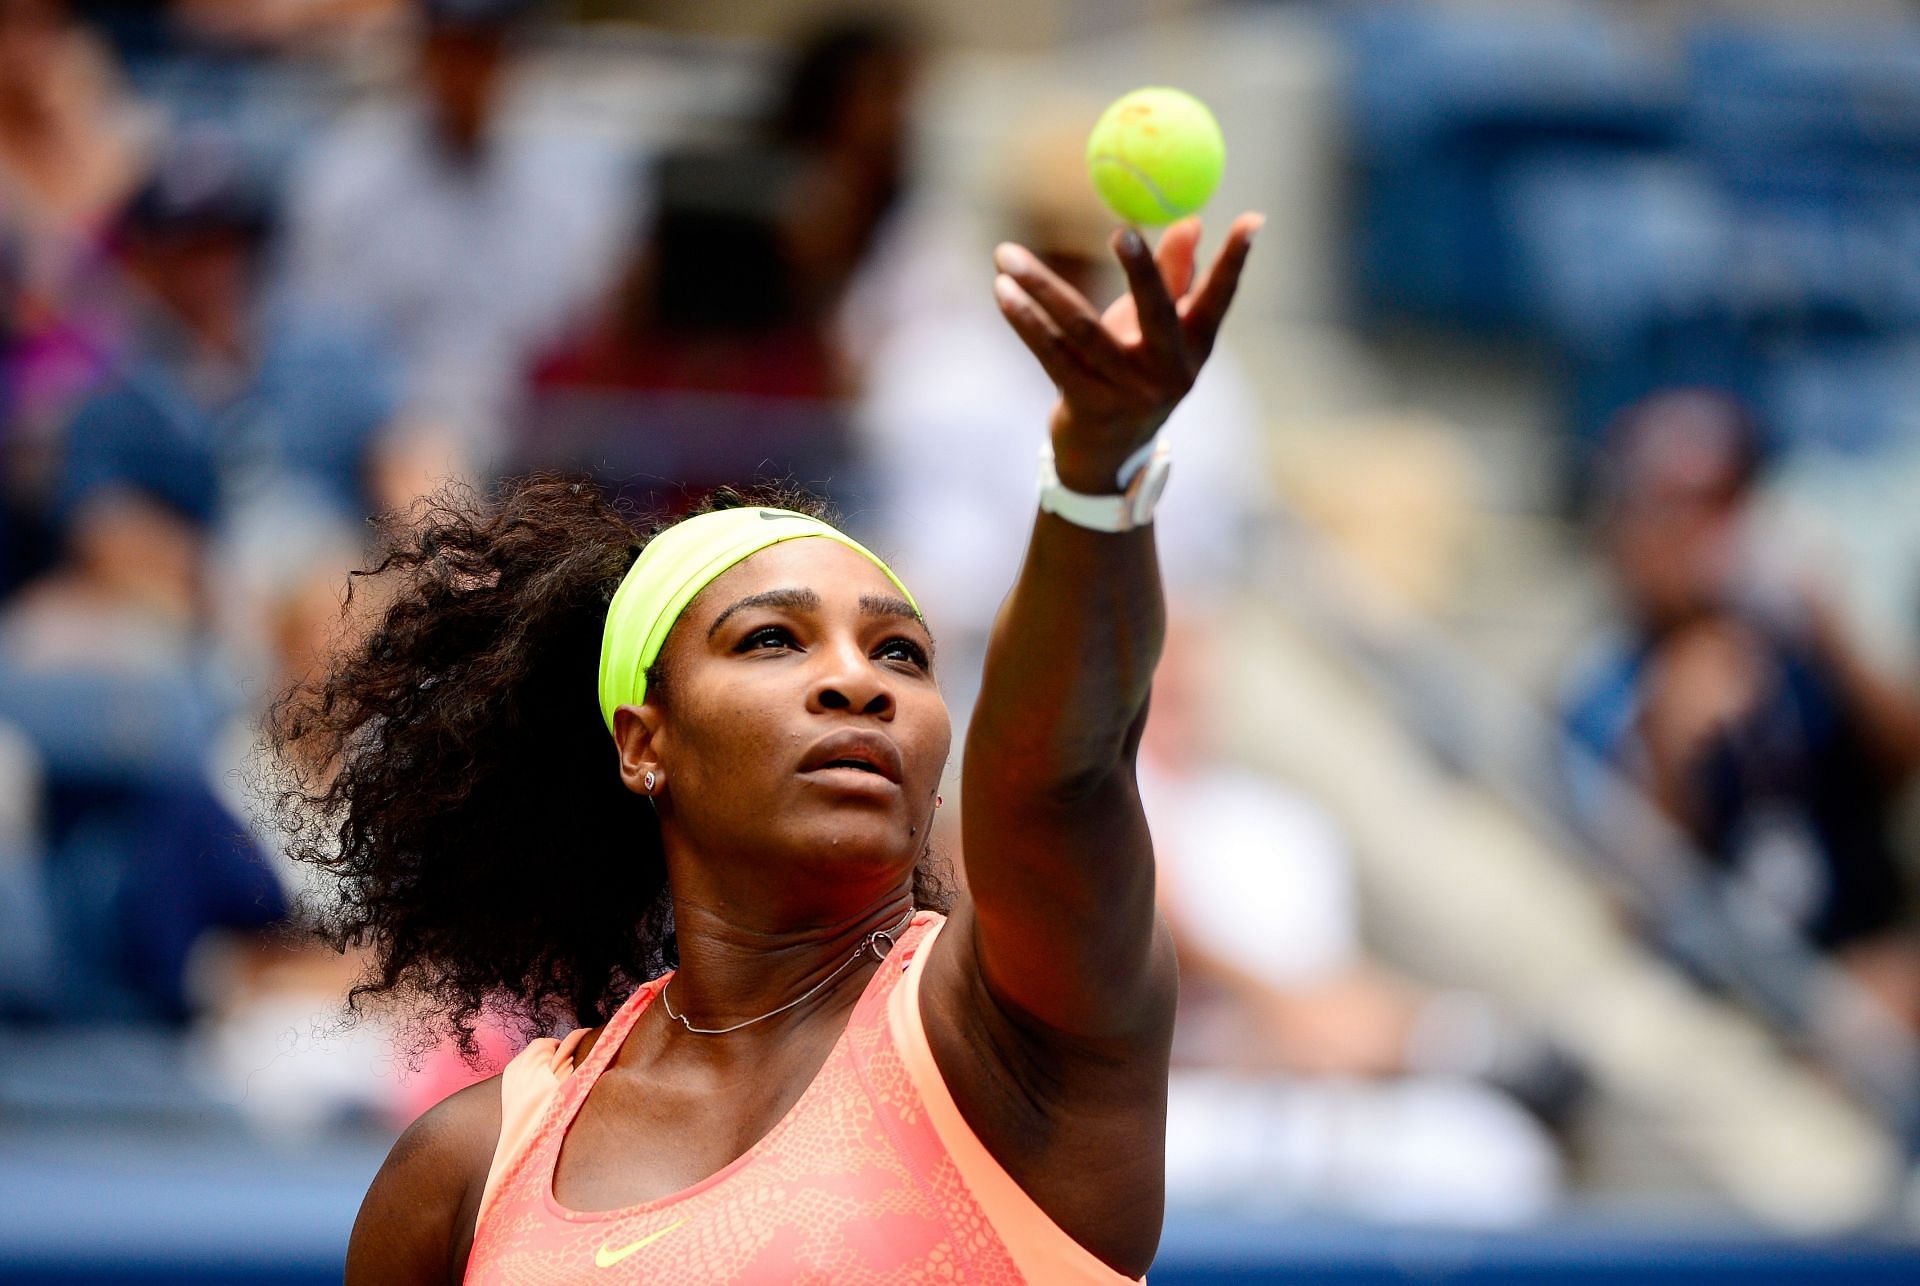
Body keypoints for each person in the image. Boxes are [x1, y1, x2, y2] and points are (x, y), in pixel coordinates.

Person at [269, 210, 1260, 1281]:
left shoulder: (1014, 1038)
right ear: (644, 742)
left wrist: (1097, 476)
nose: (858, 680)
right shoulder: (465, 1168)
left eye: (904, 654)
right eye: (774, 638)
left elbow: (1060, 774)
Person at [1562, 388, 1920, 1023]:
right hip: (1704, 1019)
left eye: (1729, 505)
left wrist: (1834, 629)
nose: (1707, 538)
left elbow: (1902, 761)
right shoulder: (1598, 695)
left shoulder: (1795, 653)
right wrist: (1668, 756)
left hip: (1850, 981)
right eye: (1677, 509)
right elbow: (1611, 923)